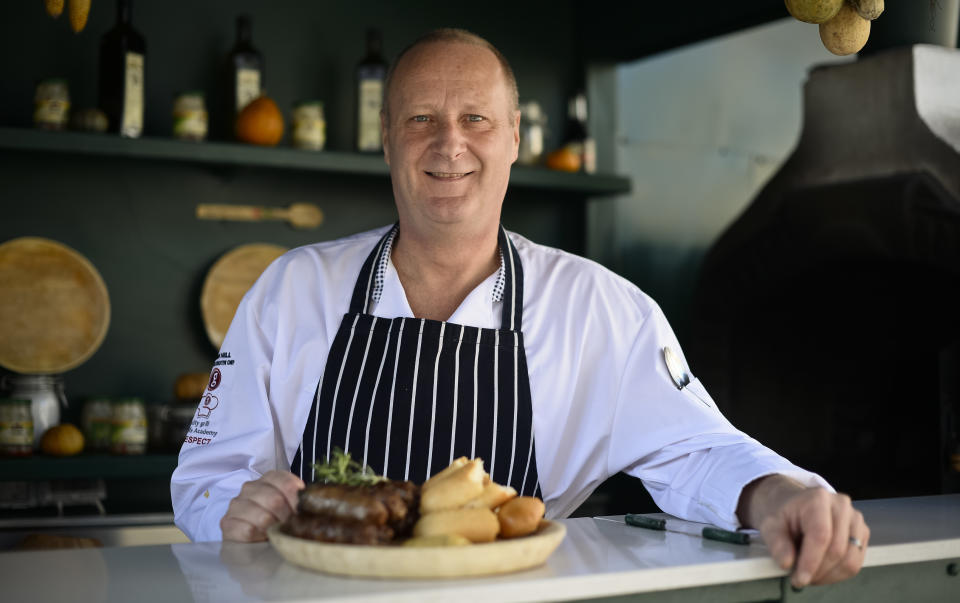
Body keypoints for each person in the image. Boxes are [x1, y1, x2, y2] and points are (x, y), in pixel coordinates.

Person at [171, 28, 868, 588]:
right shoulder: (291, 290)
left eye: (475, 118)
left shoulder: (599, 307)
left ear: (512, 139)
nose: (449, 143)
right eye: (421, 119)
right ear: (386, 140)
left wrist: (775, 492)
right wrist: (233, 513)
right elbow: (207, 476)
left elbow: (696, 446)